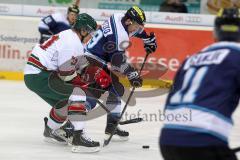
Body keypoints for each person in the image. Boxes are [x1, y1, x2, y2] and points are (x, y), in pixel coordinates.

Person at [159, 8, 240, 160]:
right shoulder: (237, 55)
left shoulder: (191, 59)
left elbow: (168, 103)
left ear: (215, 33)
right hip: (206, 141)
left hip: (168, 140)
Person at [24, 13, 109, 153]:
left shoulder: (70, 36)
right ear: (83, 30)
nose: (91, 37)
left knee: (64, 103)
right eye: (90, 33)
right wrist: (86, 85)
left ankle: (50, 131)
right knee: (78, 95)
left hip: (37, 74)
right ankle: (78, 138)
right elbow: (67, 75)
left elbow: (78, 66)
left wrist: (93, 72)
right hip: (40, 75)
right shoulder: (72, 42)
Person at [85, 5, 157, 141]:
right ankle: (70, 127)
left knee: (115, 90)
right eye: (137, 24)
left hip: (99, 58)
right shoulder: (119, 34)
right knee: (93, 94)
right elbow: (117, 60)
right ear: (129, 21)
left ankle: (112, 125)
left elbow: (135, 32)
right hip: (92, 61)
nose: (138, 28)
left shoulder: (120, 18)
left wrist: (148, 39)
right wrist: (132, 74)